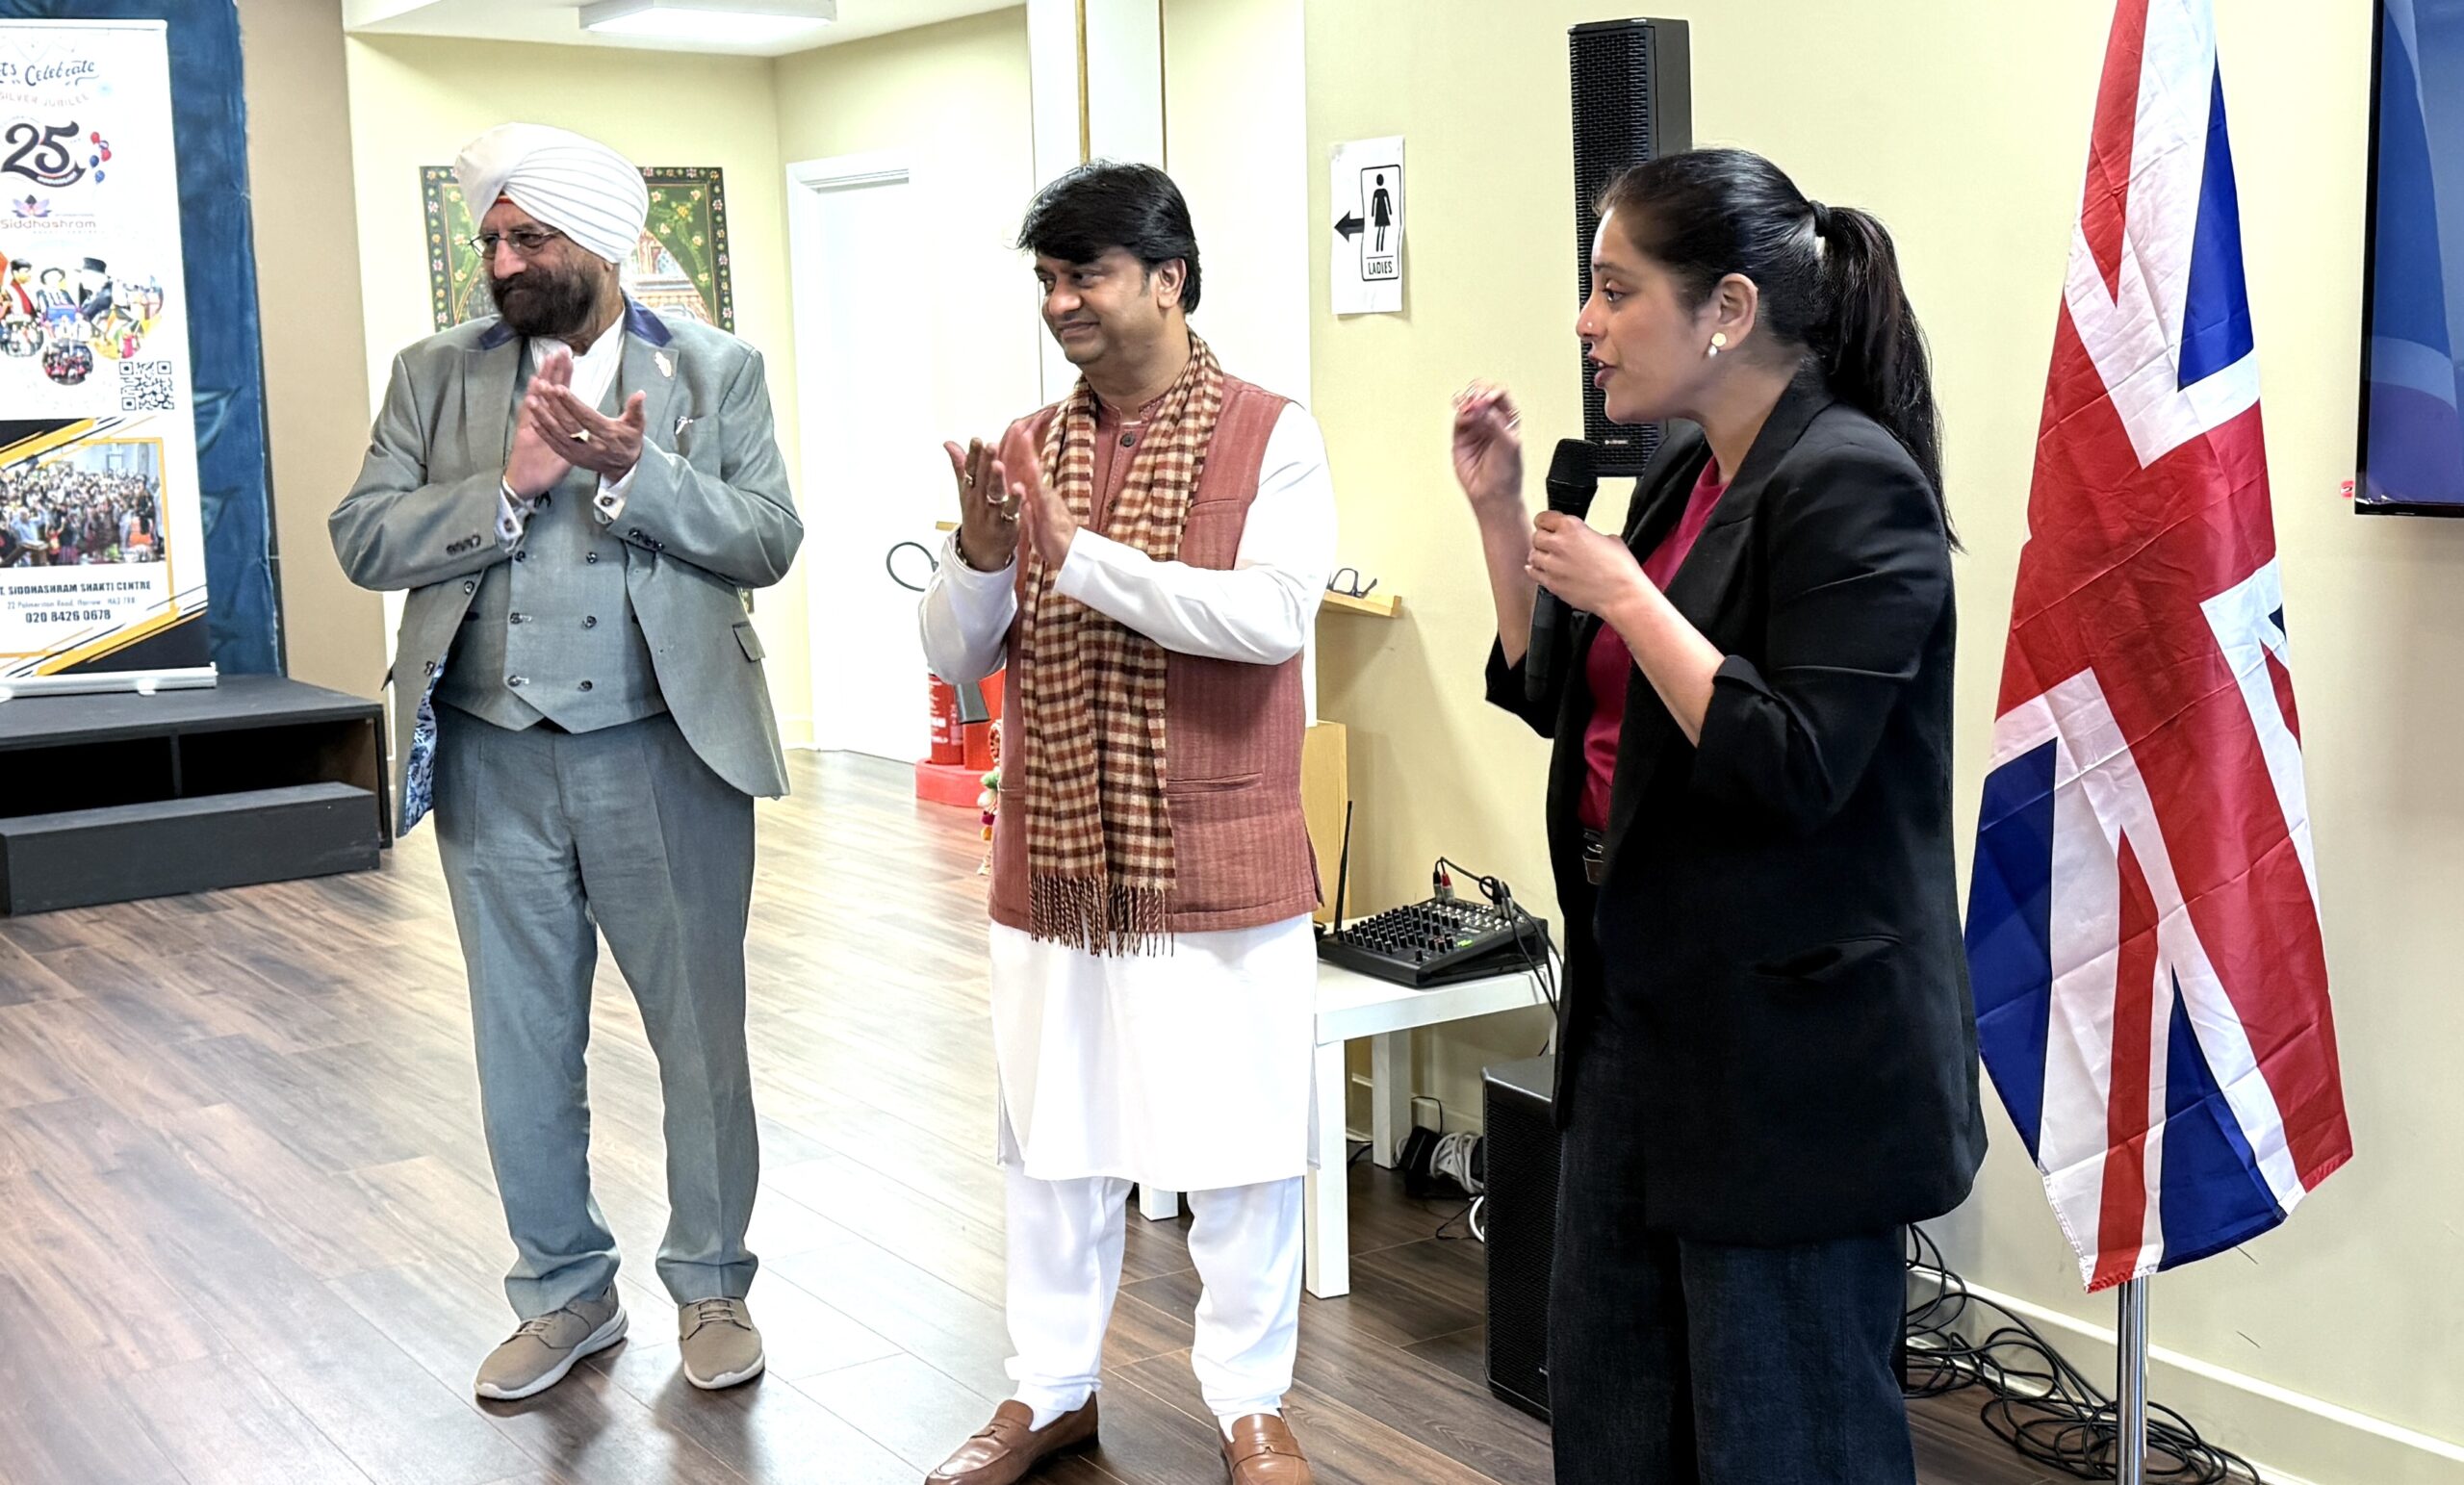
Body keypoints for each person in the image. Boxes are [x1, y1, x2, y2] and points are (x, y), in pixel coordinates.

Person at [1455, 147, 1987, 1485]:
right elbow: (1558, 695)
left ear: (1729, 309)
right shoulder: (1693, 469)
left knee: (1782, 1431)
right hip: (1642, 1013)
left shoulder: (1855, 486)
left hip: (1786, 1061)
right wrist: (1500, 512)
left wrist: (1633, 595)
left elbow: (1797, 762)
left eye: (1615, 289)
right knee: (1617, 1406)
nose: (1587, 322)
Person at [330, 121, 802, 1404]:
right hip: (492, 758)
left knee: (700, 1040)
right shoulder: (435, 375)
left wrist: (638, 474)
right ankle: (564, 1295)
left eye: (529, 235)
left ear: (604, 243)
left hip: (667, 753)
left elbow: (768, 536)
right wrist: (507, 483)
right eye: (491, 236)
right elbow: (362, 537)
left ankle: (711, 1288)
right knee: (520, 1041)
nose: (503, 257)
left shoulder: (714, 369)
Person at [918, 161, 1335, 1485]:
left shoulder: (1278, 434)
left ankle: (1251, 1404)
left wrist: (1078, 556)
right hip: (1056, 851)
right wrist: (986, 555)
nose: (1061, 303)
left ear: (1170, 277)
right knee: (1054, 1136)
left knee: (1244, 1144)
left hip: (1217, 845)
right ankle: (1048, 1393)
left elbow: (1267, 618)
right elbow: (957, 655)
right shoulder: (1029, 447)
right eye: (1047, 279)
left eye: (1085, 273)